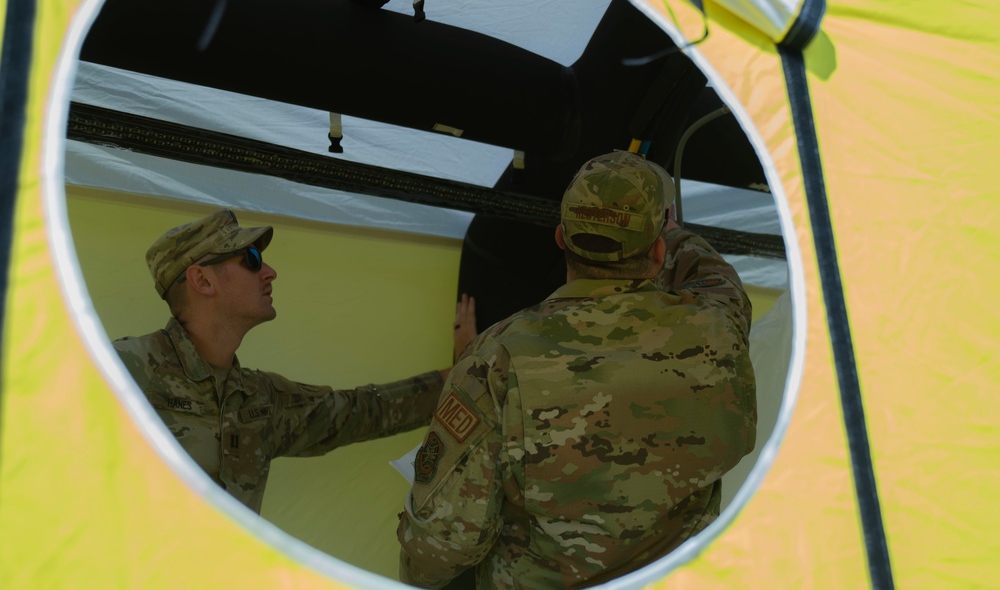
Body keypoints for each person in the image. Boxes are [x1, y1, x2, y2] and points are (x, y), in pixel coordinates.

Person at [396, 151, 757, 589]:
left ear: (560, 237)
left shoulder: (497, 358)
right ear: (659, 248)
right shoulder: (717, 331)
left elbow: (440, 549)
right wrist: (675, 231)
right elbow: (720, 282)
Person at [114, 208, 461, 515]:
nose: (270, 272)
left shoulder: (258, 399)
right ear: (203, 280)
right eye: (251, 258)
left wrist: (462, 374)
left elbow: (361, 411)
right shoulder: (120, 371)